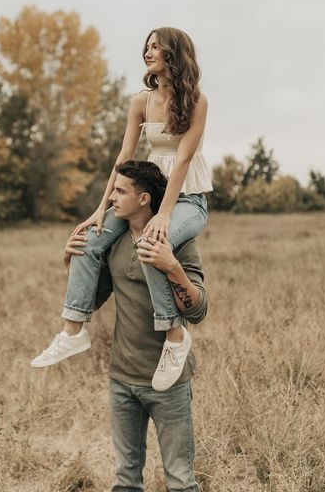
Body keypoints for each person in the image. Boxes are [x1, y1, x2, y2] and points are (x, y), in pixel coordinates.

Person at [31, 27, 212, 390]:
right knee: (90, 238)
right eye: (146, 47)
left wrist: (163, 214)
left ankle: (175, 338)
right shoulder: (140, 101)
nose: (148, 53)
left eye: (156, 48)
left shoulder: (197, 102)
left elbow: (182, 160)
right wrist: (101, 208)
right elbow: (124, 157)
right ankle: (73, 330)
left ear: (174, 54)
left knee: (151, 246)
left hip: (187, 198)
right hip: (149, 195)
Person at [66, 161, 207, 491]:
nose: (110, 197)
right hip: (122, 379)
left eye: (120, 190)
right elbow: (95, 297)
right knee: (126, 480)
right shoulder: (111, 242)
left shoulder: (180, 242)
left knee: (180, 482)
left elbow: (199, 310)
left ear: (144, 199)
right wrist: (69, 262)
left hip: (168, 382)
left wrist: (172, 268)